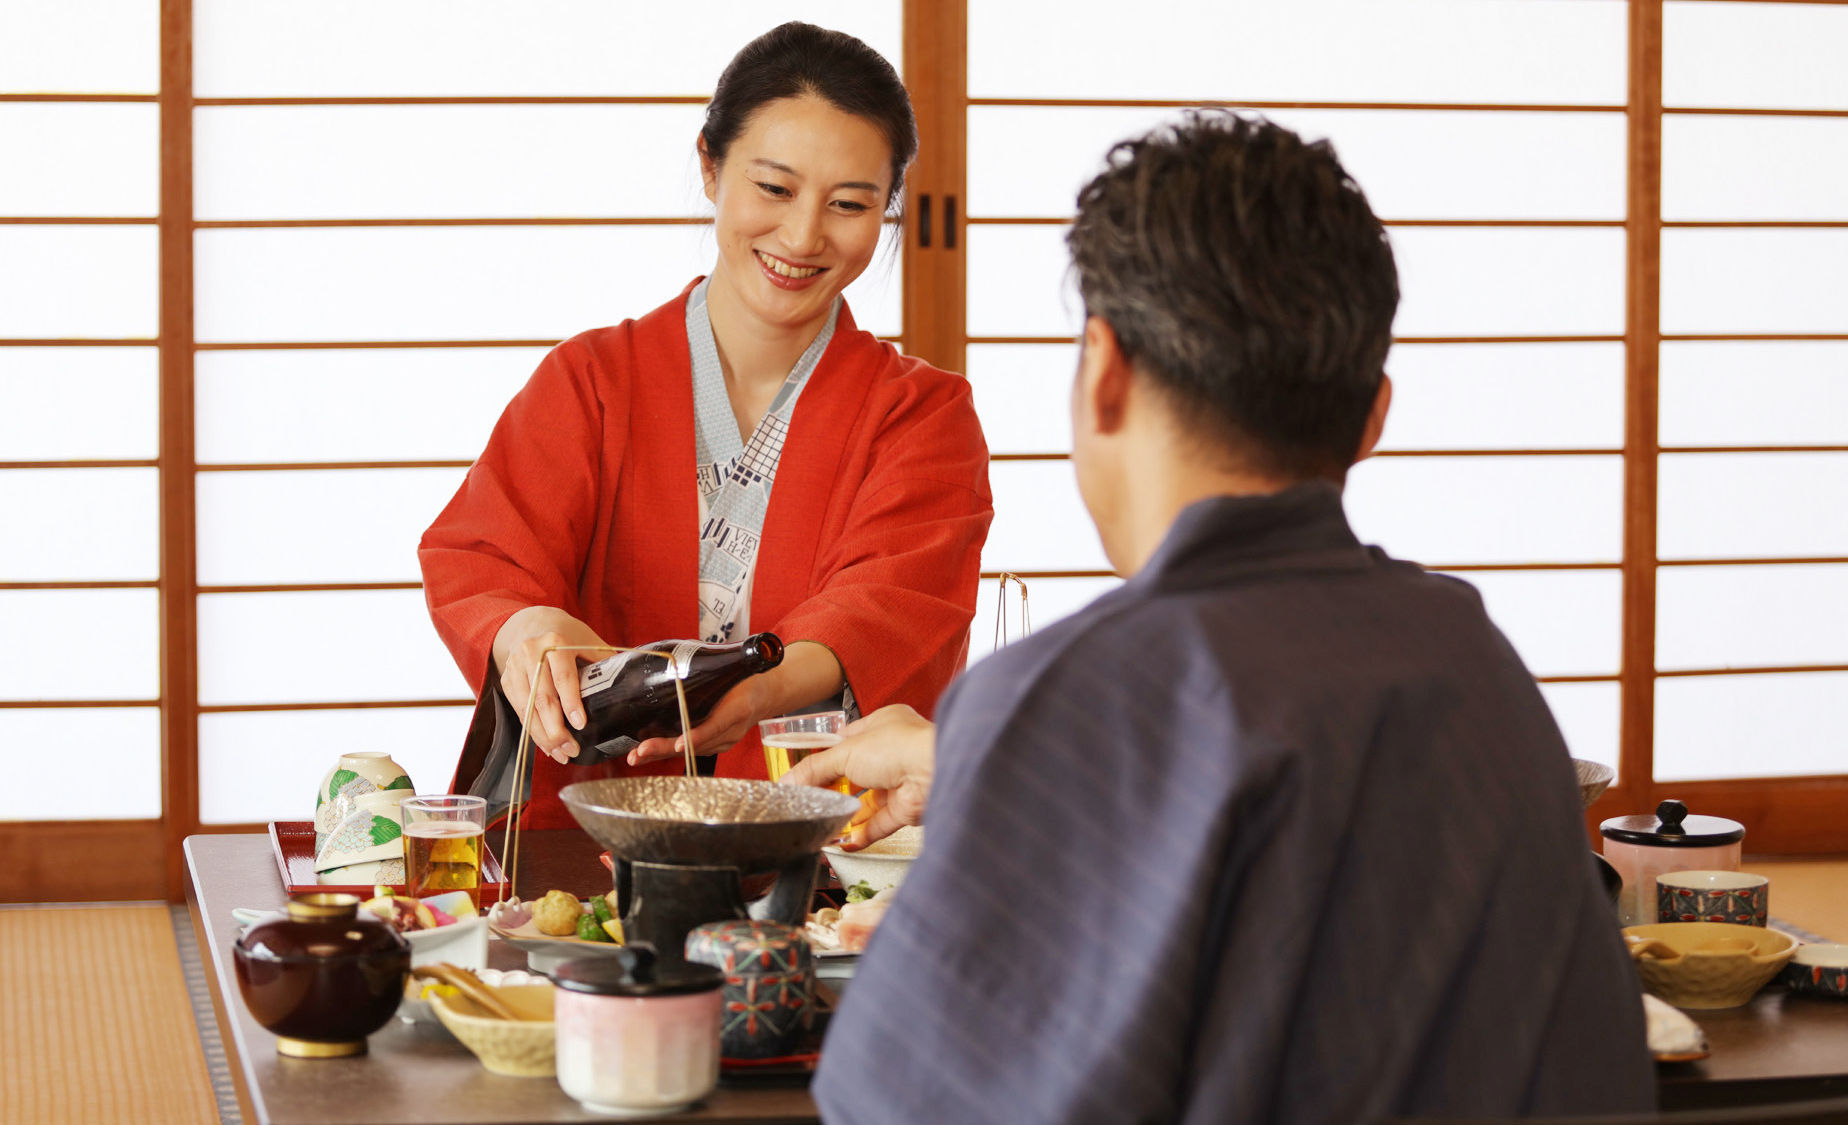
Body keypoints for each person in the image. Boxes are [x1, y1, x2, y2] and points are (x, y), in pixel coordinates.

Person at [785, 111, 1656, 1122]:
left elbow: (899, 1099)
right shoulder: (1473, 660)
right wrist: (979, 769)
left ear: (1103, 371)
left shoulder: (1065, 696)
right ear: (1373, 416)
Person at [418, 23, 992, 830]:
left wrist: (762, 688)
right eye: (774, 188)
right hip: (591, 835)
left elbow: (895, 603)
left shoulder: (923, 415)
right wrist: (528, 629)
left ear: (887, 207)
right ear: (710, 166)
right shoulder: (592, 380)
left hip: (817, 830)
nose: (802, 236)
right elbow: (482, 554)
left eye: (850, 204)